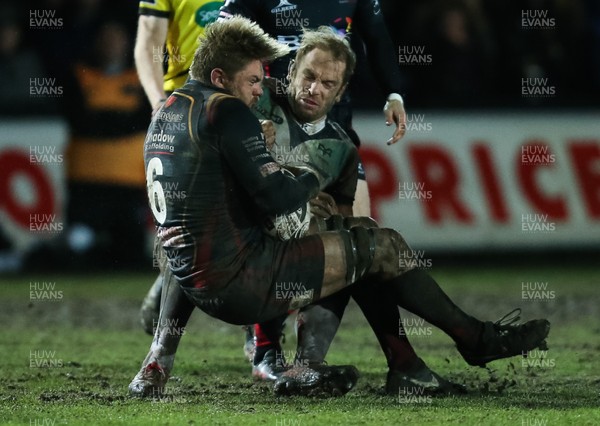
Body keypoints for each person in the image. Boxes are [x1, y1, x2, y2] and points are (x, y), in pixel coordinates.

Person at [129, 18, 550, 397]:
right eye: (307, 76)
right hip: (245, 278)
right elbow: (276, 199)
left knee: (357, 239)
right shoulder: (237, 109)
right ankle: (468, 340)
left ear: (342, 92)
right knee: (374, 247)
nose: (313, 88)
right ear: (289, 72)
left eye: (328, 84)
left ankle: (374, 364)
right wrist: (308, 174)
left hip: (202, 270)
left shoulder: (173, 108)